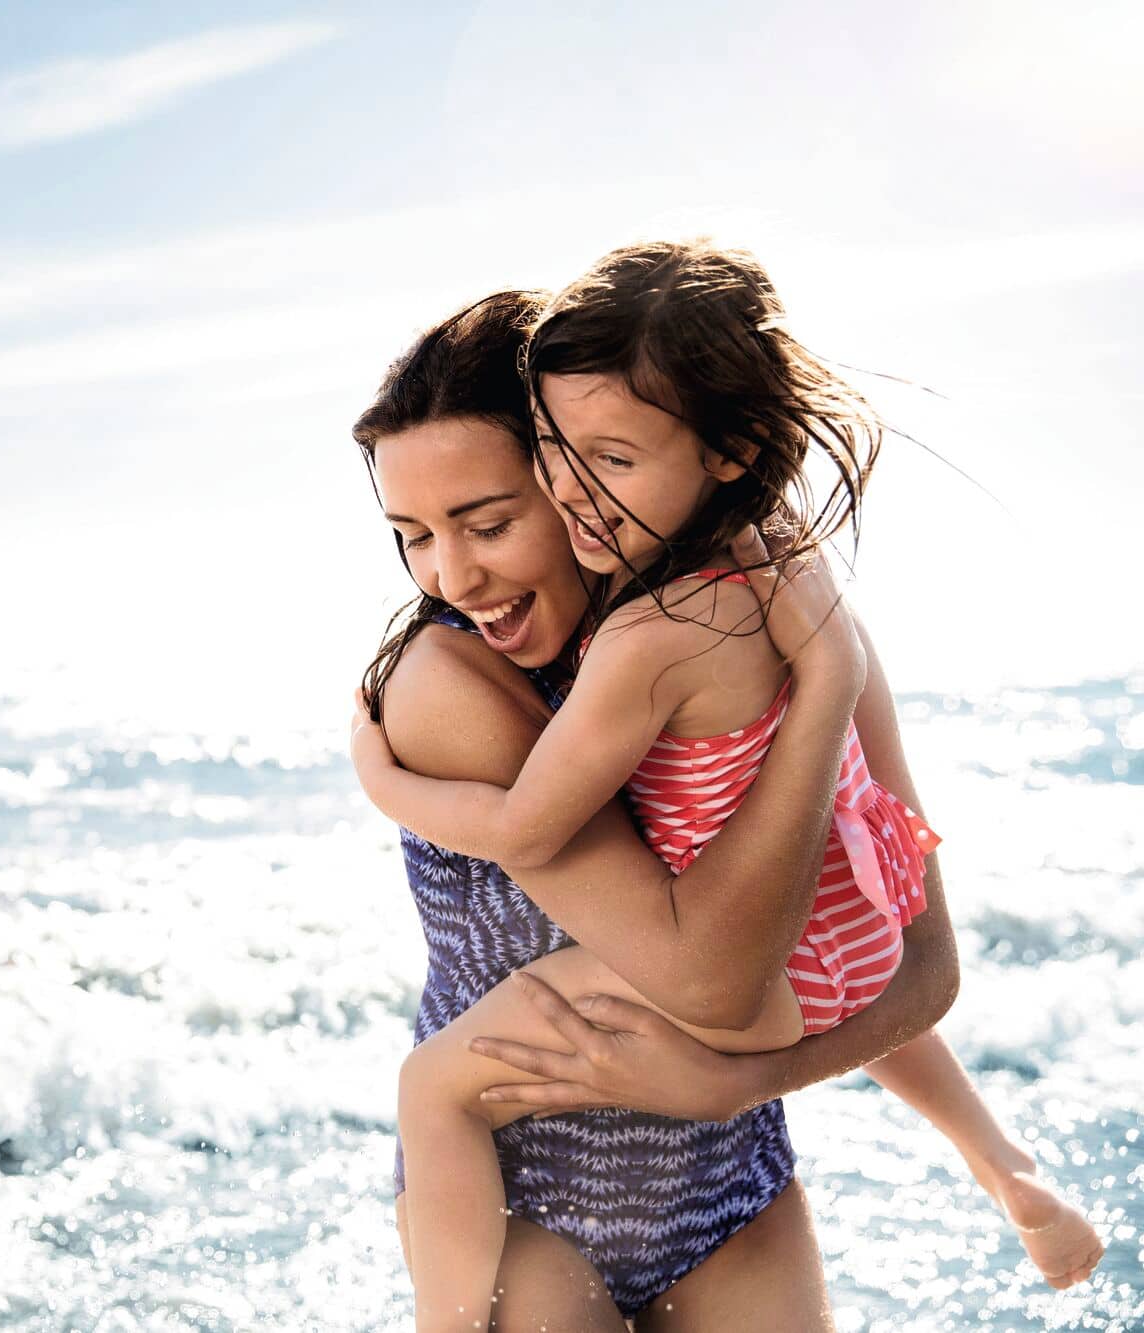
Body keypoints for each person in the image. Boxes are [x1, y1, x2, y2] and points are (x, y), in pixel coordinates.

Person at [350, 245, 1102, 1330]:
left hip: (730, 1190)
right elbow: (710, 979)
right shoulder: (450, 686)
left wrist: (737, 1087)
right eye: (410, 536)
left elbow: (922, 963)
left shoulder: (759, 611)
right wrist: (825, 676)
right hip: (529, 1204)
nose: (451, 580)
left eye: (489, 518)